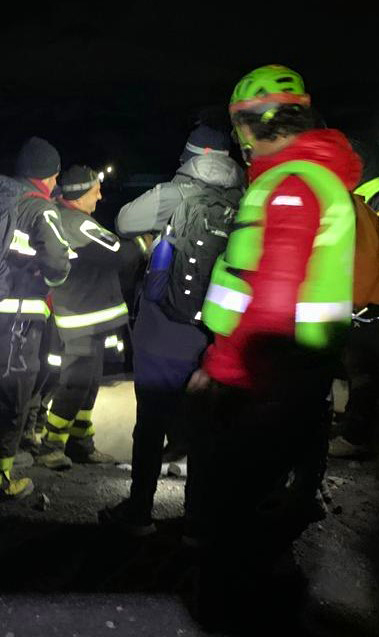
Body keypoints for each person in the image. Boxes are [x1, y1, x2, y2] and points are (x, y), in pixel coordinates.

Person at [189, 65, 359, 549]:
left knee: (231, 525)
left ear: (251, 124)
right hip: (293, 374)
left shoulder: (289, 185)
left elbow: (273, 299)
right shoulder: (314, 177)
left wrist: (222, 370)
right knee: (257, 518)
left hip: (259, 382)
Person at [99, 126, 243, 535]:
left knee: (150, 424)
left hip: (161, 332)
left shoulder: (175, 194)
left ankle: (139, 511)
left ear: (189, 157)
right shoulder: (245, 198)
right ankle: (197, 520)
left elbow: (126, 221)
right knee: (205, 428)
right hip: (210, 333)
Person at [0, 137, 72, 499]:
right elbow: (58, 264)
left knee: (0, 390)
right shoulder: (40, 209)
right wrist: (48, 278)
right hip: (20, 316)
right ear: (47, 176)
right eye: (56, 175)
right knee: (14, 395)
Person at [33, 165, 145, 470]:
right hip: (82, 319)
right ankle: (51, 445)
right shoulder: (77, 224)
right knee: (76, 382)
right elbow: (120, 254)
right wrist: (144, 243)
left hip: (91, 318)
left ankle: (80, 442)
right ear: (81, 194)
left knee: (89, 381)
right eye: (96, 189)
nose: (100, 194)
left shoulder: (72, 219)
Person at [328, 139, 379, 459]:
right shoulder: (361, 196)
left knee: (362, 369)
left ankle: (357, 435)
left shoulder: (378, 195)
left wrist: (357, 301)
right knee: (356, 367)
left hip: (366, 300)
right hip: (363, 297)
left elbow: (373, 254)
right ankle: (353, 424)